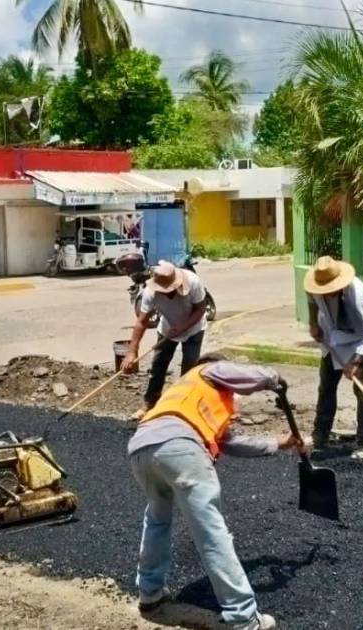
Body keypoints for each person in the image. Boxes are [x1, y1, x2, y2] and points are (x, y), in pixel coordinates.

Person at [128, 353, 303, 630]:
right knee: (211, 531)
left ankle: (150, 594)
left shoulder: (183, 396)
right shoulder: (208, 370)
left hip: (141, 448)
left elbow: (230, 442)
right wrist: (274, 378)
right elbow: (244, 374)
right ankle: (243, 617)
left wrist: (278, 443)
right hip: (180, 446)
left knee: (157, 521)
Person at [303, 255, 363, 461]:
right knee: (326, 387)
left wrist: (356, 361)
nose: (325, 292)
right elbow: (310, 296)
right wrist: (313, 322)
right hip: (331, 339)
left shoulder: (358, 295)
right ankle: (320, 436)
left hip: (358, 342)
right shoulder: (315, 284)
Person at [122, 260, 209, 419]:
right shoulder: (150, 293)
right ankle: (150, 403)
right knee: (158, 365)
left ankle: (184, 405)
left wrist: (183, 327)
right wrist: (132, 352)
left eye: (170, 290)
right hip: (168, 328)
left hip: (194, 329)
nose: (167, 294)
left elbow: (201, 309)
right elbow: (142, 322)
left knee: (189, 367)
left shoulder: (193, 282)